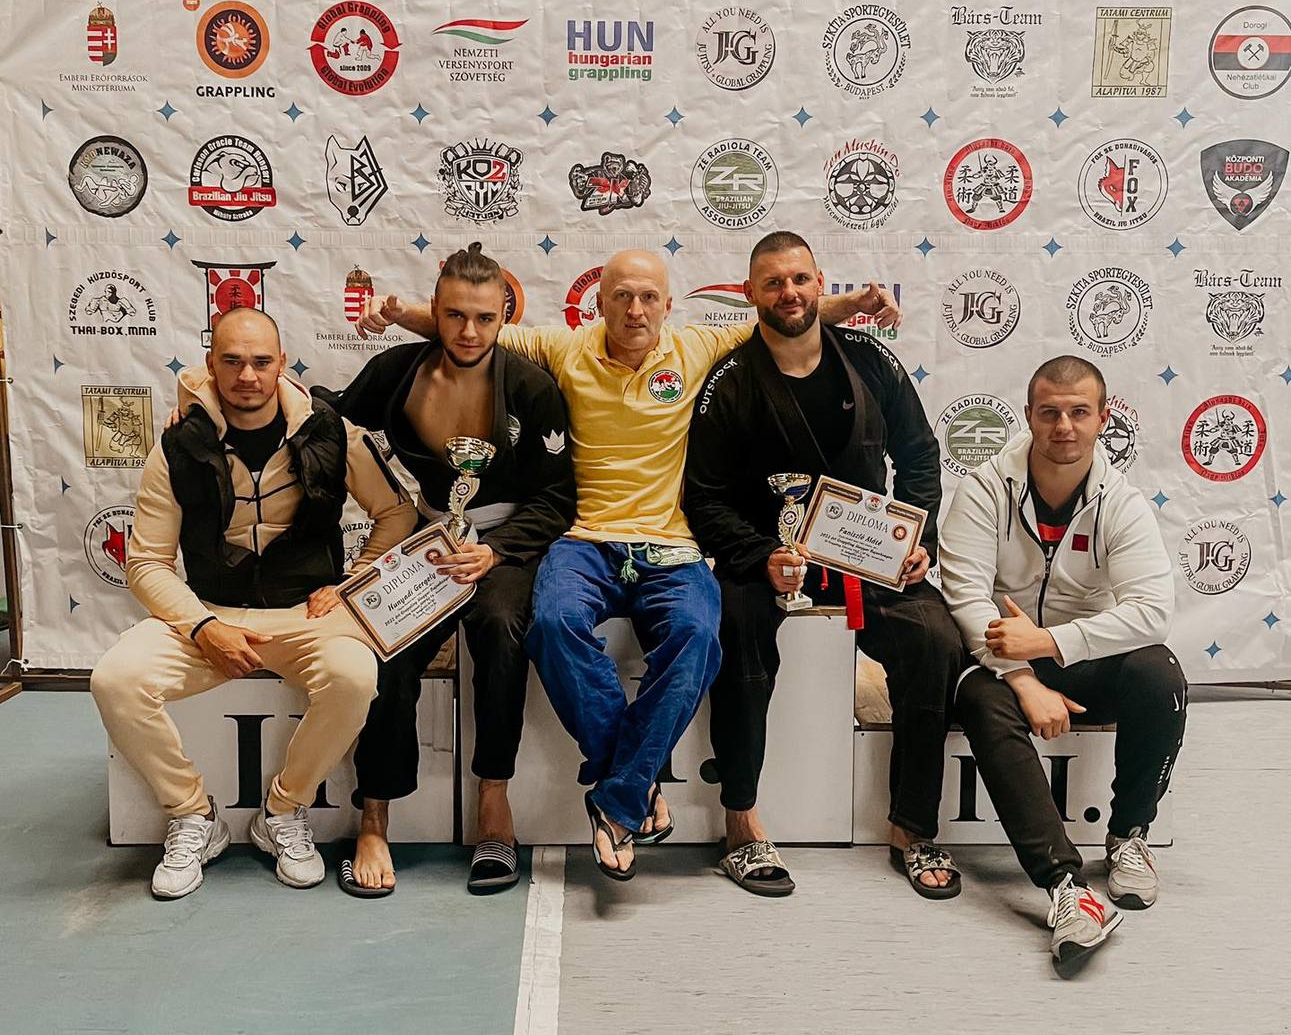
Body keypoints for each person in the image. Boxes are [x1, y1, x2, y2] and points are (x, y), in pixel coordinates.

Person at [355, 250, 898, 880]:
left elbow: (784, 314)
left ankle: (617, 796)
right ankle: (634, 784)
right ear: (600, 302)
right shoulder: (565, 349)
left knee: (699, 634)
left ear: (668, 305)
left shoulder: (695, 347)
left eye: (647, 298)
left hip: (672, 545)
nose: (634, 310)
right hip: (584, 541)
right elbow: (473, 329)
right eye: (621, 297)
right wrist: (402, 314)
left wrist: (853, 305)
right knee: (552, 624)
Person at [90, 308, 416, 900]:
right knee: (116, 680)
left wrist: (356, 581)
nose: (247, 376)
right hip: (209, 611)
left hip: (305, 616)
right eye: (233, 361)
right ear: (210, 364)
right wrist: (202, 626)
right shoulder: (178, 445)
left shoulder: (331, 430)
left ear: (282, 364)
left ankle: (283, 811)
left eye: (261, 362)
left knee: (355, 676)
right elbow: (146, 562)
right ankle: (193, 814)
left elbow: (397, 512)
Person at [684, 231, 966, 898]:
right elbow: (703, 495)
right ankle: (741, 822)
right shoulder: (729, 379)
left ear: (820, 283)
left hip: (866, 554)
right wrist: (760, 555)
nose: (789, 293)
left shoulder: (869, 361)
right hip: (765, 556)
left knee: (934, 639)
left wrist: (916, 536)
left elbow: (919, 456)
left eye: (800, 279)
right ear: (750, 294)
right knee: (737, 632)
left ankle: (911, 826)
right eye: (773, 283)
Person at [315, 243, 575, 896]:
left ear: (503, 318)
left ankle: (494, 799)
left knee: (501, 627)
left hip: (502, 545)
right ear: (435, 310)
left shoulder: (532, 388)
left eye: (484, 318)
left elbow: (557, 497)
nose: (468, 332)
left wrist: (501, 549)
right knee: (385, 644)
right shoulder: (397, 371)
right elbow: (324, 416)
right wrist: (202, 398)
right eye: (455, 315)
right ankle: (374, 815)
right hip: (429, 535)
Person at [939, 354, 1185, 961]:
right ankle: (1066, 889)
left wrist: (1050, 643)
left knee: (1158, 671)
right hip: (1001, 661)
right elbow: (965, 598)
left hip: (1076, 655)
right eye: (1049, 413)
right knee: (980, 698)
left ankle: (1128, 835)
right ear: (1028, 416)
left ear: (1103, 419)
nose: (1064, 427)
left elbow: (1152, 612)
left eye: (1079, 412)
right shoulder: (983, 489)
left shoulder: (1121, 502)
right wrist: (1024, 677)